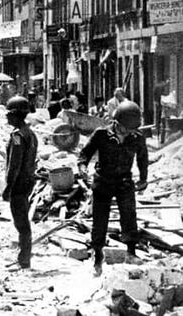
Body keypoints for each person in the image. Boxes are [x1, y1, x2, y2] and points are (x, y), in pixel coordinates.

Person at [78, 101, 149, 277]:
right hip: (103, 181)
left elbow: (142, 159)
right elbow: (84, 154)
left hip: (124, 181)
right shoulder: (101, 134)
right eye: (126, 129)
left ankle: (131, 252)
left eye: (132, 129)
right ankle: (97, 256)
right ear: (116, 123)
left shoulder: (137, 138)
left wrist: (143, 179)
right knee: (100, 220)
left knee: (129, 217)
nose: (129, 132)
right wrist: (82, 168)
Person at [3, 96, 38, 269]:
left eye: (9, 114)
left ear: (16, 115)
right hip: (27, 181)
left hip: (19, 183)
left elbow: (14, 164)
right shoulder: (30, 133)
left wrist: (9, 186)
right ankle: (23, 257)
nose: (7, 117)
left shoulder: (17, 136)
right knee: (22, 220)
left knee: (21, 222)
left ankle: (24, 259)